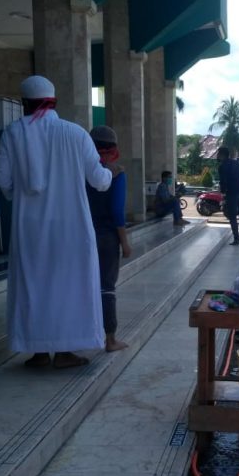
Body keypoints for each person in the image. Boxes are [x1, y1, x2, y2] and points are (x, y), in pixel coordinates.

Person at [0, 75, 119, 369]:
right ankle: (64, 353)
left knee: (33, 286)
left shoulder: (13, 132)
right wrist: (111, 171)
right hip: (71, 227)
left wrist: (17, 192)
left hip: (30, 227)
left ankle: (37, 352)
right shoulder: (75, 133)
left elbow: (1, 177)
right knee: (69, 287)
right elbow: (99, 181)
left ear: (25, 103)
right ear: (53, 101)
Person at [86, 125, 132, 352]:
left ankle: (82, 337)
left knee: (84, 286)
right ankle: (110, 339)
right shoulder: (117, 172)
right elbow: (116, 211)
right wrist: (124, 242)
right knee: (107, 287)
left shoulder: (80, 170)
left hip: (82, 235)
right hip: (106, 237)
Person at [216, 146, 239, 245]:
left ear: (222, 155)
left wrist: (223, 192)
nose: (217, 156)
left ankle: (236, 239)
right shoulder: (236, 163)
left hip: (232, 193)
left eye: (218, 154)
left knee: (232, 216)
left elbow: (223, 181)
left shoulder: (222, 166)